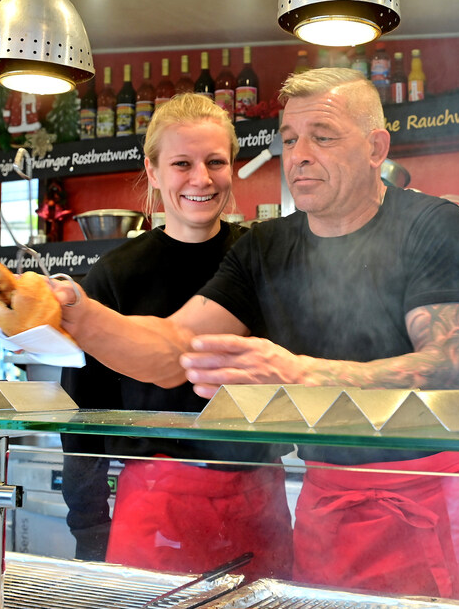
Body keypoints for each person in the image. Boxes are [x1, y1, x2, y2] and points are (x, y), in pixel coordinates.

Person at [0, 68, 459, 605]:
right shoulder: (266, 247)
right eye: (290, 139)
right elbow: (177, 347)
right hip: (329, 502)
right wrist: (75, 313)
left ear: (375, 147)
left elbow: (450, 369)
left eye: (322, 137)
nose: (299, 154)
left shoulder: (432, 223)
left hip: (438, 499)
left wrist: (301, 375)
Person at [57, 93, 292, 581]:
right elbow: (81, 419)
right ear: (154, 170)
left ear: (233, 166)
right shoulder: (114, 276)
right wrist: (90, 531)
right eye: (182, 163)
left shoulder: (262, 262)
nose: (201, 179)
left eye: (215, 162)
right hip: (155, 508)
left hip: (258, 502)